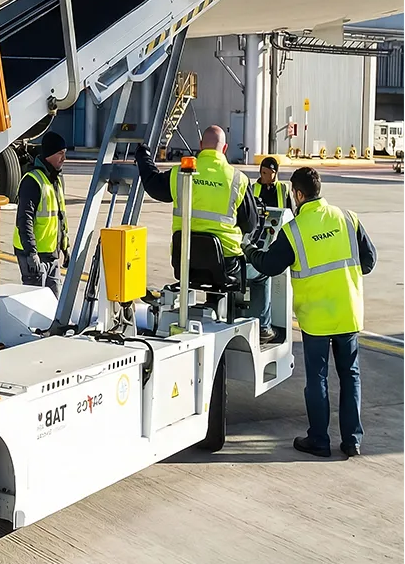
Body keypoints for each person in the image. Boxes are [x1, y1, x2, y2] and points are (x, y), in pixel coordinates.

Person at [244, 166, 376, 458]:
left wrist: (250, 250)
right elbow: (369, 261)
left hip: (316, 318)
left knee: (318, 379)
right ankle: (352, 441)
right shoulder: (348, 218)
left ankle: (319, 439)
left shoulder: (294, 230)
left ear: (298, 194)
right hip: (348, 312)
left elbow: (269, 266)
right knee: (350, 376)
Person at [135, 125, 275, 342]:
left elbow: (153, 185)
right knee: (263, 272)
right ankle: (263, 328)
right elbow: (250, 225)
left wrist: (143, 157)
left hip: (185, 263)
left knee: (210, 262)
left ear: (201, 146)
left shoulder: (181, 172)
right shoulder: (237, 179)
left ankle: (213, 304)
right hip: (227, 265)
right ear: (225, 148)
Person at [13, 132, 69, 295]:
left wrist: (65, 246)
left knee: (54, 299)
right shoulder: (32, 181)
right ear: (49, 154)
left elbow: (60, 217)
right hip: (33, 253)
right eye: (60, 153)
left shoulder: (56, 180)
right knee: (35, 300)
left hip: (51, 253)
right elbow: (24, 220)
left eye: (65, 153)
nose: (64, 158)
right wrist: (31, 253)